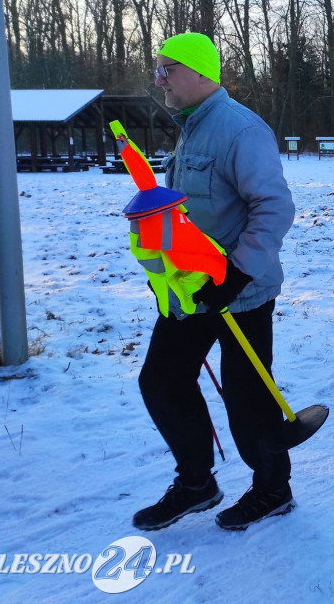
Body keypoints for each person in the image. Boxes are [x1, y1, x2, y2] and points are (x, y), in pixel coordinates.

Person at [132, 32, 297, 532]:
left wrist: (237, 273)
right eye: (159, 68)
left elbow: (274, 208)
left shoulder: (240, 130)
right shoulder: (190, 128)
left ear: (202, 72)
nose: (159, 77)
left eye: (168, 69)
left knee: (248, 399)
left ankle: (272, 489)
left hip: (240, 294)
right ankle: (197, 483)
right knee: (161, 381)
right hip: (191, 290)